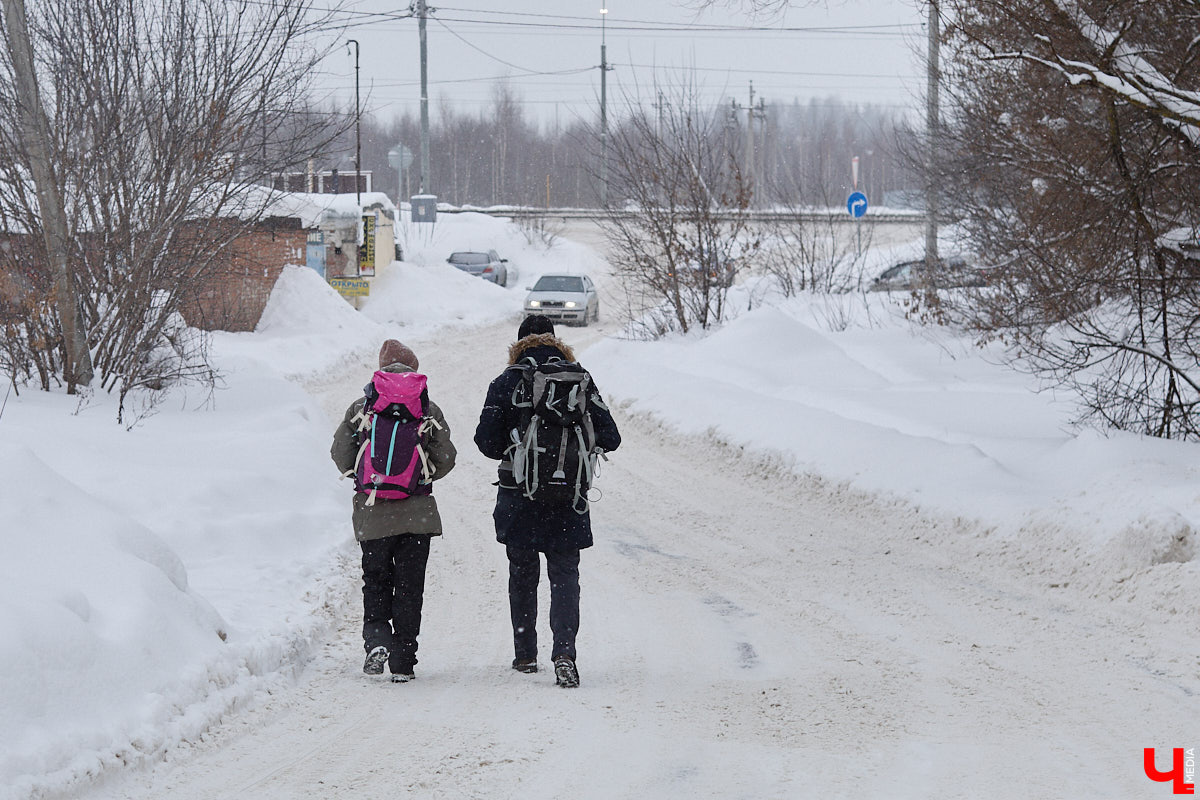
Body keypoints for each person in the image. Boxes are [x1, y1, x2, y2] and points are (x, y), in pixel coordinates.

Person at [474, 315, 621, 688]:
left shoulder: (507, 381)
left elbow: (486, 442)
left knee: (522, 574)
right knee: (564, 575)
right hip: (569, 498)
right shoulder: (579, 378)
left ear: (519, 343)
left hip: (519, 495)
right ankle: (565, 653)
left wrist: (521, 447)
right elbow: (611, 436)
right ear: (556, 341)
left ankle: (525, 654)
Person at [331, 339, 456, 683]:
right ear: (413, 370)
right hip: (417, 516)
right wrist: (417, 475)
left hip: (373, 514)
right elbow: (447, 458)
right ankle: (403, 661)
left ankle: (376, 640)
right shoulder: (427, 407)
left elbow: (340, 453)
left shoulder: (363, 406)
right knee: (409, 587)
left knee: (376, 581)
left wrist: (370, 478)